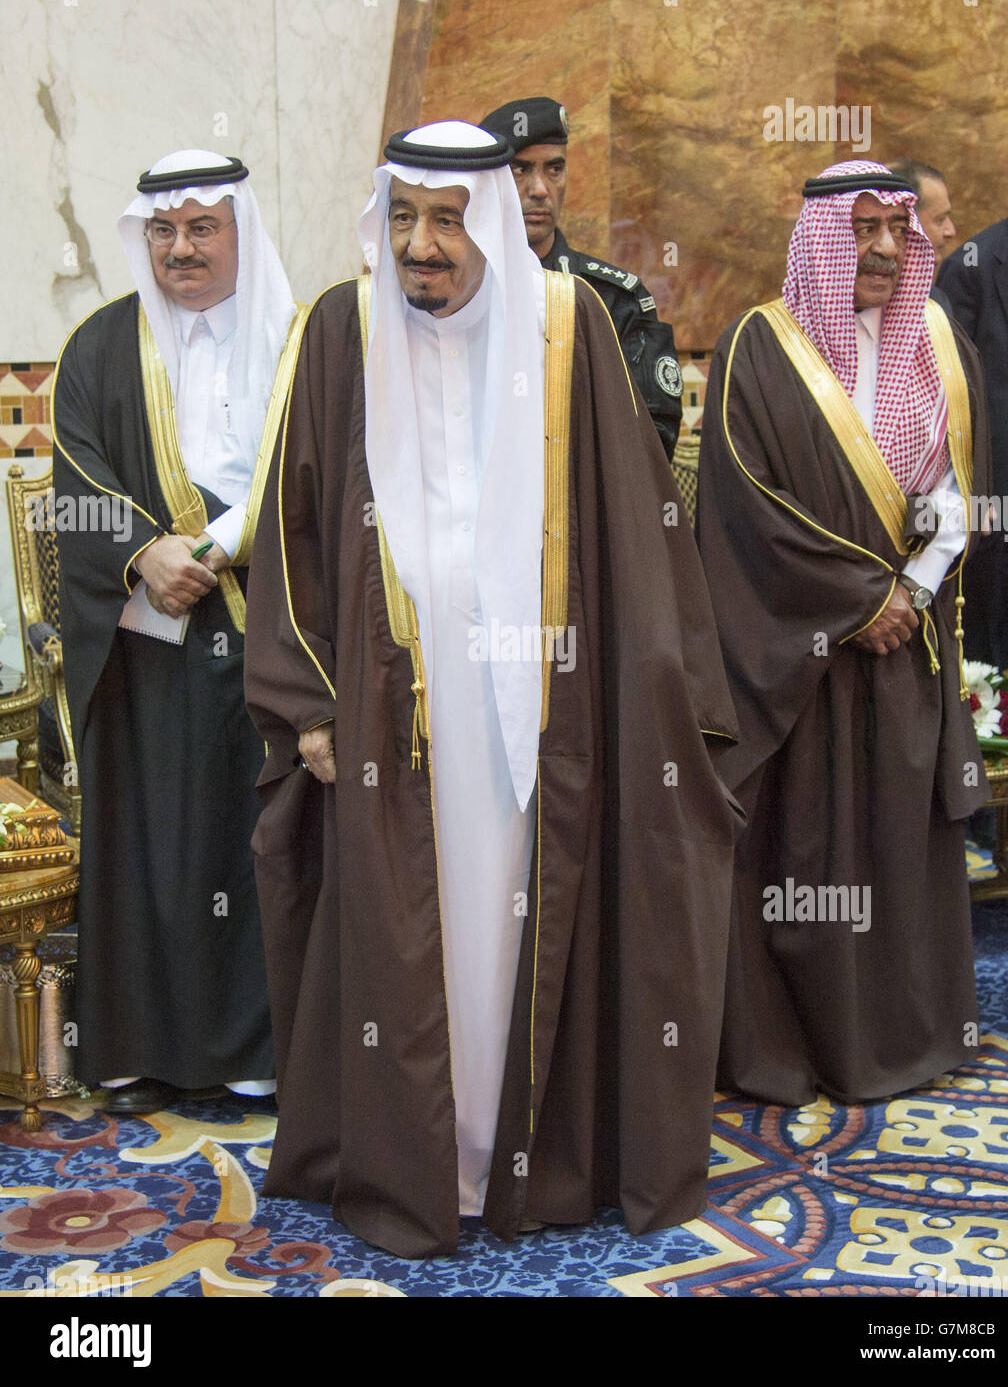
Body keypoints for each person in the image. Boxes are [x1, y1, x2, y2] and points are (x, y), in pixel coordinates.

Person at [244, 121, 741, 1258]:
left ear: (492, 222)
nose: (422, 247)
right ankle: (417, 1156)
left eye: (448, 221)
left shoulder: (566, 331)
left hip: (538, 710)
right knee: (414, 929)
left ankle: (519, 1151)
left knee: (522, 912)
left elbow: (634, 537)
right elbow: (292, 525)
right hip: (388, 709)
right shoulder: (341, 327)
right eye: (404, 218)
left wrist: (647, 703)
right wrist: (307, 701)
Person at [696, 159, 990, 1108]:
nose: (879, 249)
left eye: (894, 230)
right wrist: (857, 598)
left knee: (898, 845)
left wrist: (911, 586)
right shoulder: (759, 344)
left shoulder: (937, 339)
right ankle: (797, 1043)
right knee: (805, 854)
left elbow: (953, 491)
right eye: (859, 230)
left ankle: (904, 1035)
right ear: (821, 238)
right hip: (800, 661)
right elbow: (743, 507)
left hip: (906, 641)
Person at [52, 151, 305, 1115]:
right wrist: (141, 553)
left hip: (270, 632)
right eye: (163, 230)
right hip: (145, 641)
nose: (181, 248)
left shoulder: (294, 342)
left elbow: (327, 474)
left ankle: (254, 1049)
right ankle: (134, 1045)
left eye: (203, 228)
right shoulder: (100, 345)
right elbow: (74, 470)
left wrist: (228, 539)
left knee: (252, 842)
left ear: (239, 230)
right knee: (149, 836)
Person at [478, 96, 684, 459]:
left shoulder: (615, 301)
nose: (539, 189)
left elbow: (653, 441)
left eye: (554, 169)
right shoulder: (460, 293)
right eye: (520, 170)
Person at [937, 149, 1008, 672]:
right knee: (1001, 597)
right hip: (1007, 463)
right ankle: (998, 723)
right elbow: (948, 375)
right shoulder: (975, 264)